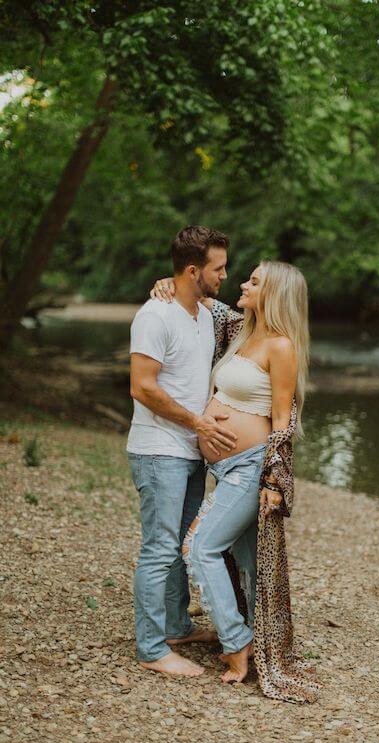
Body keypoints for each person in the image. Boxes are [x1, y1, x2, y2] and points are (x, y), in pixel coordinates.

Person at [151, 260, 321, 702]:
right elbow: (203, 298)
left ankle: (237, 643)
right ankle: (257, 636)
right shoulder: (240, 329)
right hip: (223, 468)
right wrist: (171, 283)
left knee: (200, 546)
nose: (242, 284)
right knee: (248, 562)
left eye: (254, 281)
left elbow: (283, 418)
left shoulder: (281, 346)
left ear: (274, 294)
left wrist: (275, 479)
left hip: (250, 469)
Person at [127, 225, 239, 677]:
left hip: (190, 452)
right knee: (159, 548)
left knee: (178, 546)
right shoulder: (155, 315)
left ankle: (175, 626)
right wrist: (196, 422)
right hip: (159, 450)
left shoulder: (204, 314)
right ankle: (152, 648)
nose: (225, 275)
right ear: (194, 270)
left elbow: (253, 318)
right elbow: (141, 387)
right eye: (219, 268)